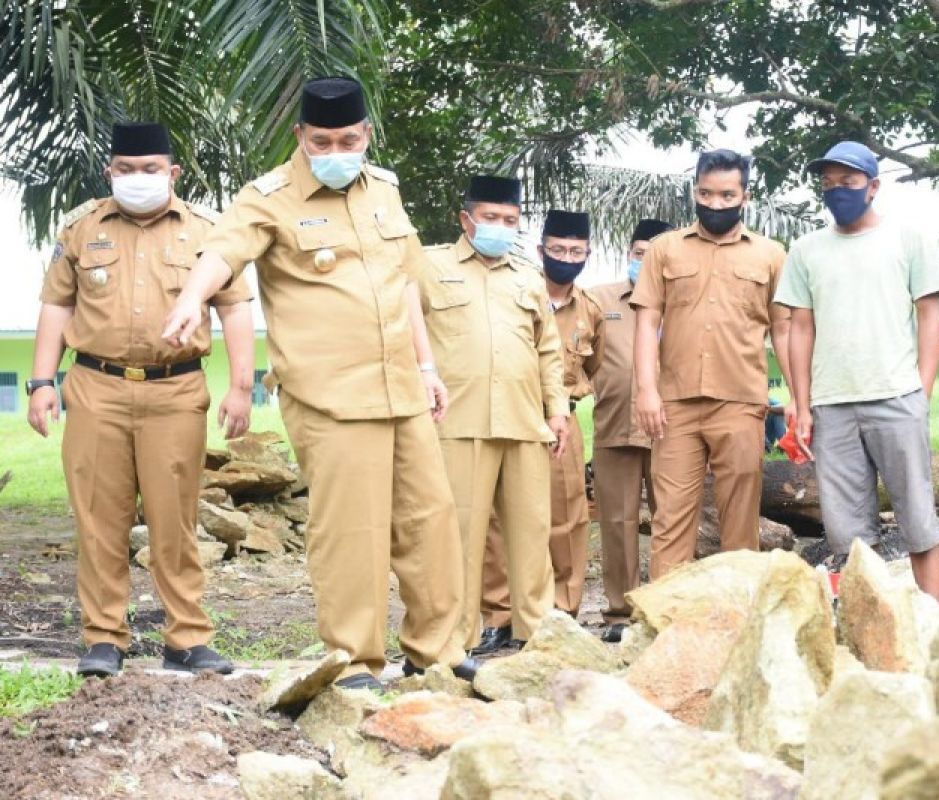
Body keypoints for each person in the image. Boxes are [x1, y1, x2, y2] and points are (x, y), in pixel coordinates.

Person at [161, 77, 476, 691]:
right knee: (352, 531)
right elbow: (223, 252)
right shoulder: (269, 197)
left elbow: (405, 280)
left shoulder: (384, 188)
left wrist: (429, 367)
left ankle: (436, 651)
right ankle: (356, 661)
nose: (336, 150)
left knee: (430, 520)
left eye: (349, 139)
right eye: (323, 140)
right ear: (301, 136)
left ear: (367, 134)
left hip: (401, 387)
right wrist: (192, 300)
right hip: (330, 395)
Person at [29, 122, 254, 677]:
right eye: (126, 169)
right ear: (110, 171)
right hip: (95, 388)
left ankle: (187, 638)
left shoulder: (206, 230)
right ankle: (105, 638)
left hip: (175, 391)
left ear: (173, 172)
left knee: (173, 520)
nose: (138, 179)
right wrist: (39, 383)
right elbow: (57, 307)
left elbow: (235, 307)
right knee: (99, 519)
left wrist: (243, 386)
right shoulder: (81, 229)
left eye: (151, 168)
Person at [776, 141, 939, 600]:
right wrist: (801, 402)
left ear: (873, 187)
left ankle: (934, 619)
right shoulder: (807, 249)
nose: (837, 192)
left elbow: (929, 316)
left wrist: (922, 392)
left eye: (848, 183)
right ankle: (868, 621)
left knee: (917, 518)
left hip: (897, 396)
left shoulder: (908, 240)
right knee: (849, 530)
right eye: (828, 184)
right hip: (832, 404)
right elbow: (800, 329)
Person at [419, 175, 569, 654]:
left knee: (532, 536)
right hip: (459, 424)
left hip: (525, 423)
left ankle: (536, 634)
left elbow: (549, 350)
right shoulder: (429, 266)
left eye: (510, 220)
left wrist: (558, 411)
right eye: (490, 218)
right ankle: (455, 641)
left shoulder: (528, 276)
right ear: (467, 220)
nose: (500, 227)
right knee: (460, 538)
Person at [632, 149, 792, 580]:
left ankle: (739, 620)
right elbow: (647, 322)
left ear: (745, 195)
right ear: (695, 191)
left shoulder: (771, 255)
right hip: (674, 406)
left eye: (726, 195)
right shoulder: (664, 250)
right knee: (670, 521)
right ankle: (665, 626)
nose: (715, 204)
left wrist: (797, 399)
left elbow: (784, 331)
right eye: (705, 193)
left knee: (740, 522)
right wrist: (646, 391)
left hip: (741, 404)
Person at [478, 210, 604, 638]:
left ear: (586, 254)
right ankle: (499, 616)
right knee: (498, 518)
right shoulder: (515, 290)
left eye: (575, 251)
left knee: (567, 515)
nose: (566, 257)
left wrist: (564, 405)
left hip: (561, 418)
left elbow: (594, 364)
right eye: (557, 249)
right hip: (508, 411)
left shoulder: (590, 309)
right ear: (540, 250)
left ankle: (561, 613)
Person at [590, 218, 670, 641]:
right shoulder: (600, 299)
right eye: (641, 253)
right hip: (615, 423)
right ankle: (620, 613)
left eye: (655, 255)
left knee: (672, 519)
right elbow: (574, 351)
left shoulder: (682, 302)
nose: (646, 261)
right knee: (617, 521)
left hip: (672, 431)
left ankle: (669, 606)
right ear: (629, 253)